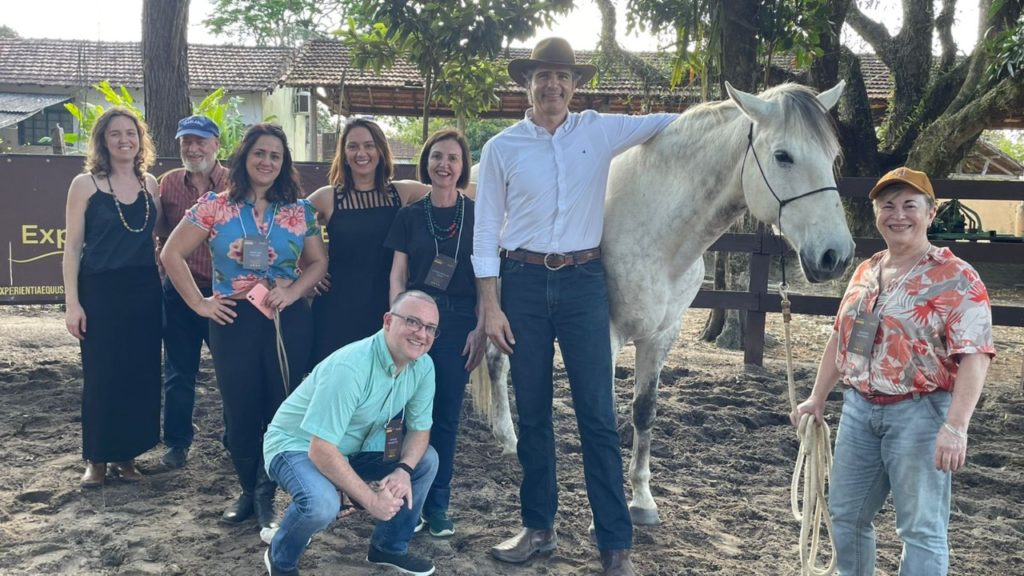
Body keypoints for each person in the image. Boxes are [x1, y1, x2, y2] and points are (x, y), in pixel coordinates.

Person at [472, 37, 678, 576]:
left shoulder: (601, 130)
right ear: (527, 83)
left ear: (574, 84)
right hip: (521, 282)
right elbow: (486, 230)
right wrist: (491, 307)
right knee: (535, 412)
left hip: (585, 283)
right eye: (543, 76)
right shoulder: (501, 148)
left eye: (562, 76)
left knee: (598, 416)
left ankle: (615, 543)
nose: (553, 85)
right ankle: (538, 527)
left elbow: (668, 121)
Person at [791, 167, 995, 575]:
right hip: (859, 411)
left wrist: (956, 427)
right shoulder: (867, 270)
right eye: (888, 206)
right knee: (845, 514)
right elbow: (841, 337)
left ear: (931, 214)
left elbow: (975, 355)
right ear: (876, 214)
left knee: (921, 528)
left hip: (920, 413)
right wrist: (817, 397)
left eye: (909, 205)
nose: (897, 214)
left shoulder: (956, 276)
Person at [161, 123, 327, 535]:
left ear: (283, 162)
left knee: (280, 409)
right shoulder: (214, 206)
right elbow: (171, 253)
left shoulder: (299, 210)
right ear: (244, 157)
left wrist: (293, 292)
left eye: (275, 155)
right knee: (239, 411)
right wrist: (200, 304)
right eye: (259, 153)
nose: (267, 161)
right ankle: (247, 492)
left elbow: (319, 263)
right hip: (232, 319)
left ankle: (268, 493)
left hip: (286, 322)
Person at [262, 290, 440, 576]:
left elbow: (420, 430)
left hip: (350, 446)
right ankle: (281, 558)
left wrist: (404, 470)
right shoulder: (351, 367)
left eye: (430, 328)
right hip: (296, 444)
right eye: (413, 322)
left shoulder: (423, 366)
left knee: (426, 460)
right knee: (321, 504)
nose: (422, 334)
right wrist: (372, 502)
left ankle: (388, 547)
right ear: (387, 321)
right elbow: (320, 449)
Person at [385, 129, 486, 537]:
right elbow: (398, 274)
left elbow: (486, 277)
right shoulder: (410, 215)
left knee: (443, 416)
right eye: (437, 156)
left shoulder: (478, 215)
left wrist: (480, 326)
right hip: (414, 320)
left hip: (458, 320)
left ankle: (436, 505)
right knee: (398, 412)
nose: (444, 165)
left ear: (463, 167)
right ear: (426, 161)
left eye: (453, 158)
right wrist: (396, 321)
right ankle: (394, 497)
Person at [62, 106, 162, 488]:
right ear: (103, 141)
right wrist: (73, 303)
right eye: (116, 133)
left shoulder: (150, 184)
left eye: (131, 133)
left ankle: (127, 457)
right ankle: (97, 460)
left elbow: (156, 239)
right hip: (100, 291)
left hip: (144, 292)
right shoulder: (85, 185)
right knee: (102, 377)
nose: (125, 140)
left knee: (139, 375)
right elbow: (72, 248)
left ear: (141, 141)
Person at [307, 118, 428, 368]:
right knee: (337, 384)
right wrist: (307, 272)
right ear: (344, 153)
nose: (361, 153)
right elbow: (286, 225)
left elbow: (449, 192)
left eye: (369, 145)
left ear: (381, 150)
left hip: (386, 304)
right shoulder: (327, 197)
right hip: (336, 309)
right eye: (352, 146)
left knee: (382, 384)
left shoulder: (402, 192)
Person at [155, 115, 229, 469]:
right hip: (181, 294)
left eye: (200, 141)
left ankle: (236, 437)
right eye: (187, 141)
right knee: (178, 371)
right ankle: (177, 443)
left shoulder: (237, 183)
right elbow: (158, 236)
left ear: (216, 144)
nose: (193, 148)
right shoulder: (166, 185)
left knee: (231, 370)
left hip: (226, 296)